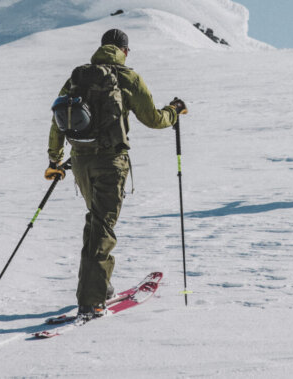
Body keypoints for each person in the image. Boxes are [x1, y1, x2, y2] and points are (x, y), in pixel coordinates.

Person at [45, 28, 187, 319]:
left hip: (81, 162)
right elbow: (153, 119)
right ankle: (91, 300)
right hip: (111, 163)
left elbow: (58, 119)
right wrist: (174, 111)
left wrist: (55, 160)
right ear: (125, 50)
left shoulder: (78, 77)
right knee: (102, 227)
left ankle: (101, 285)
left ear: (101, 47)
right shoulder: (128, 77)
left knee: (97, 222)